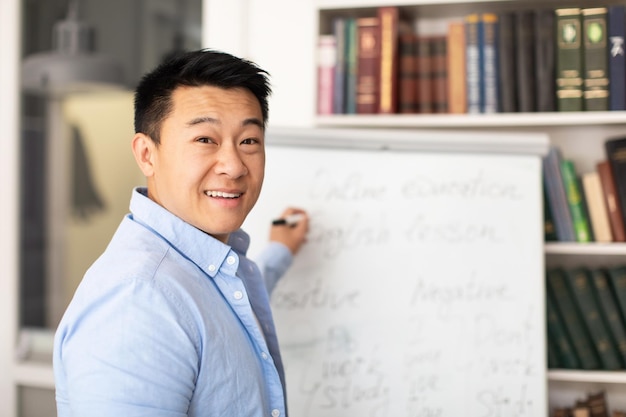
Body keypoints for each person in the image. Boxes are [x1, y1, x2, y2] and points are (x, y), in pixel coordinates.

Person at [53, 49, 309, 417]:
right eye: (206, 140)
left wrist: (279, 252)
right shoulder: (138, 299)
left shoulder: (200, 264)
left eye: (249, 141)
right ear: (146, 154)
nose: (234, 166)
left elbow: (215, 306)